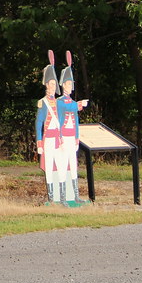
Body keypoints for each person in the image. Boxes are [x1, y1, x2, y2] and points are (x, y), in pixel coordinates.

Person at [57, 51, 89, 206]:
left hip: (72, 138)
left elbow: (75, 121)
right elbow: (64, 109)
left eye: (72, 84)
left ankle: (76, 195)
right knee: (63, 166)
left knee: (73, 165)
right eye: (69, 84)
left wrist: (77, 137)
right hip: (63, 138)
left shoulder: (71, 102)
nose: (71, 87)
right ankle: (62, 197)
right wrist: (77, 105)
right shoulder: (60, 101)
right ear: (63, 85)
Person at [35, 50, 66, 205]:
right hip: (48, 139)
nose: (53, 86)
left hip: (58, 139)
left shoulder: (59, 102)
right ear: (47, 85)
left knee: (60, 166)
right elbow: (39, 123)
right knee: (49, 167)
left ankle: (62, 197)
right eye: (51, 84)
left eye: (55, 84)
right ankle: (52, 198)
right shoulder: (43, 102)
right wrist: (39, 143)